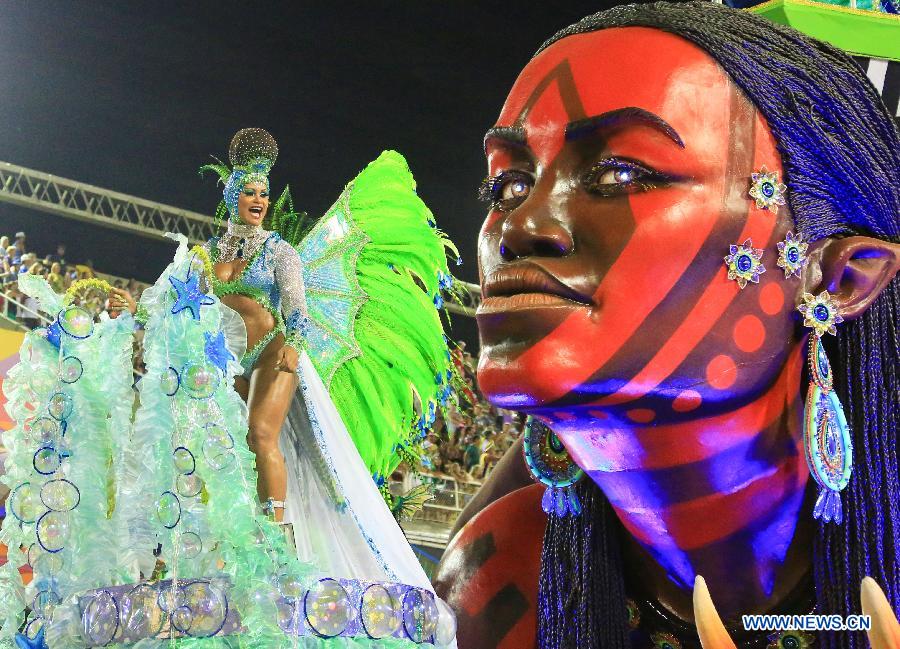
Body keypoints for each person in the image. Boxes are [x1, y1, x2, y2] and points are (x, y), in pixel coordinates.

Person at [434, 4, 900, 649]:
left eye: (623, 174)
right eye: (507, 184)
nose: (520, 226)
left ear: (839, 277)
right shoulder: (503, 585)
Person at [91, 127, 458, 646]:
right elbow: (168, 305)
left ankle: (275, 536)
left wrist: (293, 346)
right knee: (235, 449)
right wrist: (130, 313)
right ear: (230, 196)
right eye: (250, 192)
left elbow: (299, 313)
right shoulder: (206, 254)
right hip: (230, 366)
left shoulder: (281, 252)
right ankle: (233, 533)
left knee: (262, 435)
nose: (260, 201)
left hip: (275, 351)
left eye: (265, 193)